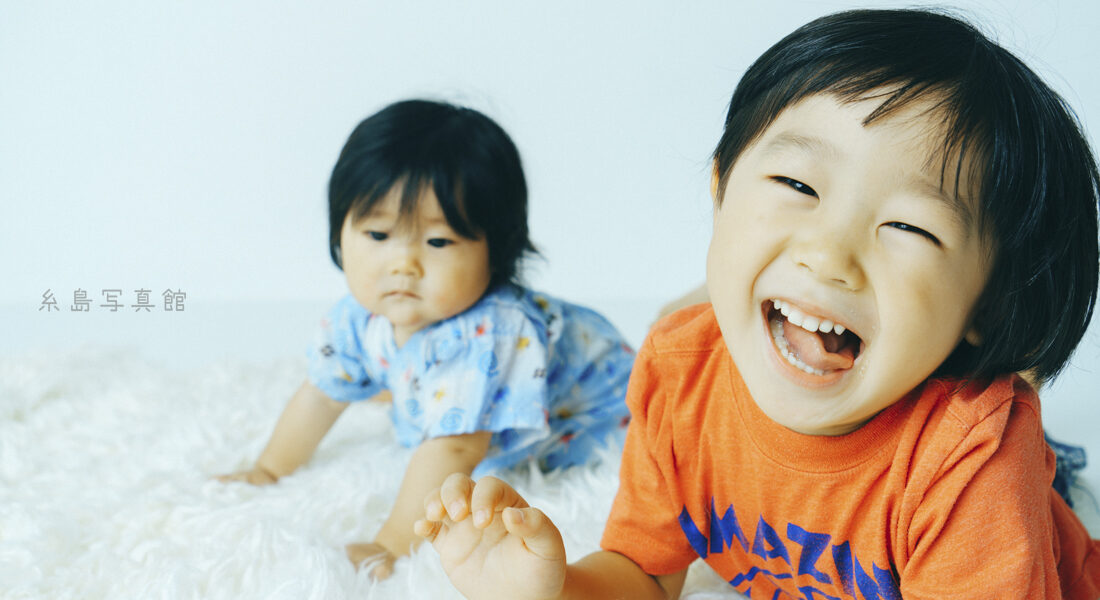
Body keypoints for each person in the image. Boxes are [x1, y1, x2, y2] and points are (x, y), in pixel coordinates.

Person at [414, 9, 1100, 599]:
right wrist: (555, 586)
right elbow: (642, 571)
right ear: (721, 189)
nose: (828, 254)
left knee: (1022, 433)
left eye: (910, 228)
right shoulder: (680, 374)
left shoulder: (969, 455)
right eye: (798, 184)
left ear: (987, 301)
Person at [217, 99, 634, 578]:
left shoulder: (491, 331)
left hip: (601, 419)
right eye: (378, 234)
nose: (403, 265)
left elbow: (455, 449)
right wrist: (268, 470)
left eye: (437, 242)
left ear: (495, 253)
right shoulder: (358, 316)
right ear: (340, 232)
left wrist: (391, 545)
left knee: (458, 432)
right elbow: (321, 395)